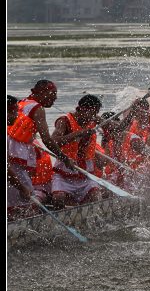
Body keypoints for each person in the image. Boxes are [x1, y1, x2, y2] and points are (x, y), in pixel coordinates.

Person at [8, 81, 77, 211]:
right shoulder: (37, 108)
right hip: (17, 155)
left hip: (12, 150)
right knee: (27, 198)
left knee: (13, 194)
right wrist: (64, 158)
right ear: (42, 92)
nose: (55, 98)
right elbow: (47, 139)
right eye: (53, 94)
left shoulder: (22, 102)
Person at [51, 94, 108, 207]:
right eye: (93, 112)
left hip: (86, 174)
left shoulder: (94, 120)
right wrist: (78, 134)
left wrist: (103, 121)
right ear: (82, 109)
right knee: (58, 199)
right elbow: (53, 141)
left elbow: (116, 129)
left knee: (96, 197)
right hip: (65, 171)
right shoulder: (64, 121)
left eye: (96, 113)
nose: (94, 116)